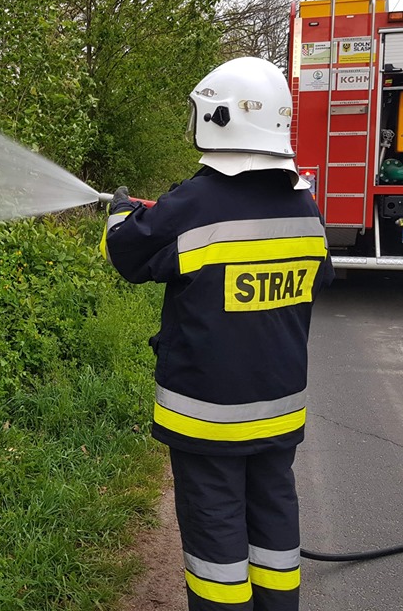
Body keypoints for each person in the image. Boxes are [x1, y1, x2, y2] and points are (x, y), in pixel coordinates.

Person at [101, 56, 334, 611]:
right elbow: (315, 274)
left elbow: (128, 253)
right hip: (279, 411)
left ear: (221, 118)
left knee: (216, 540)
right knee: (274, 521)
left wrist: (118, 213)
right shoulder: (303, 203)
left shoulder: (197, 203)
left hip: (208, 416)